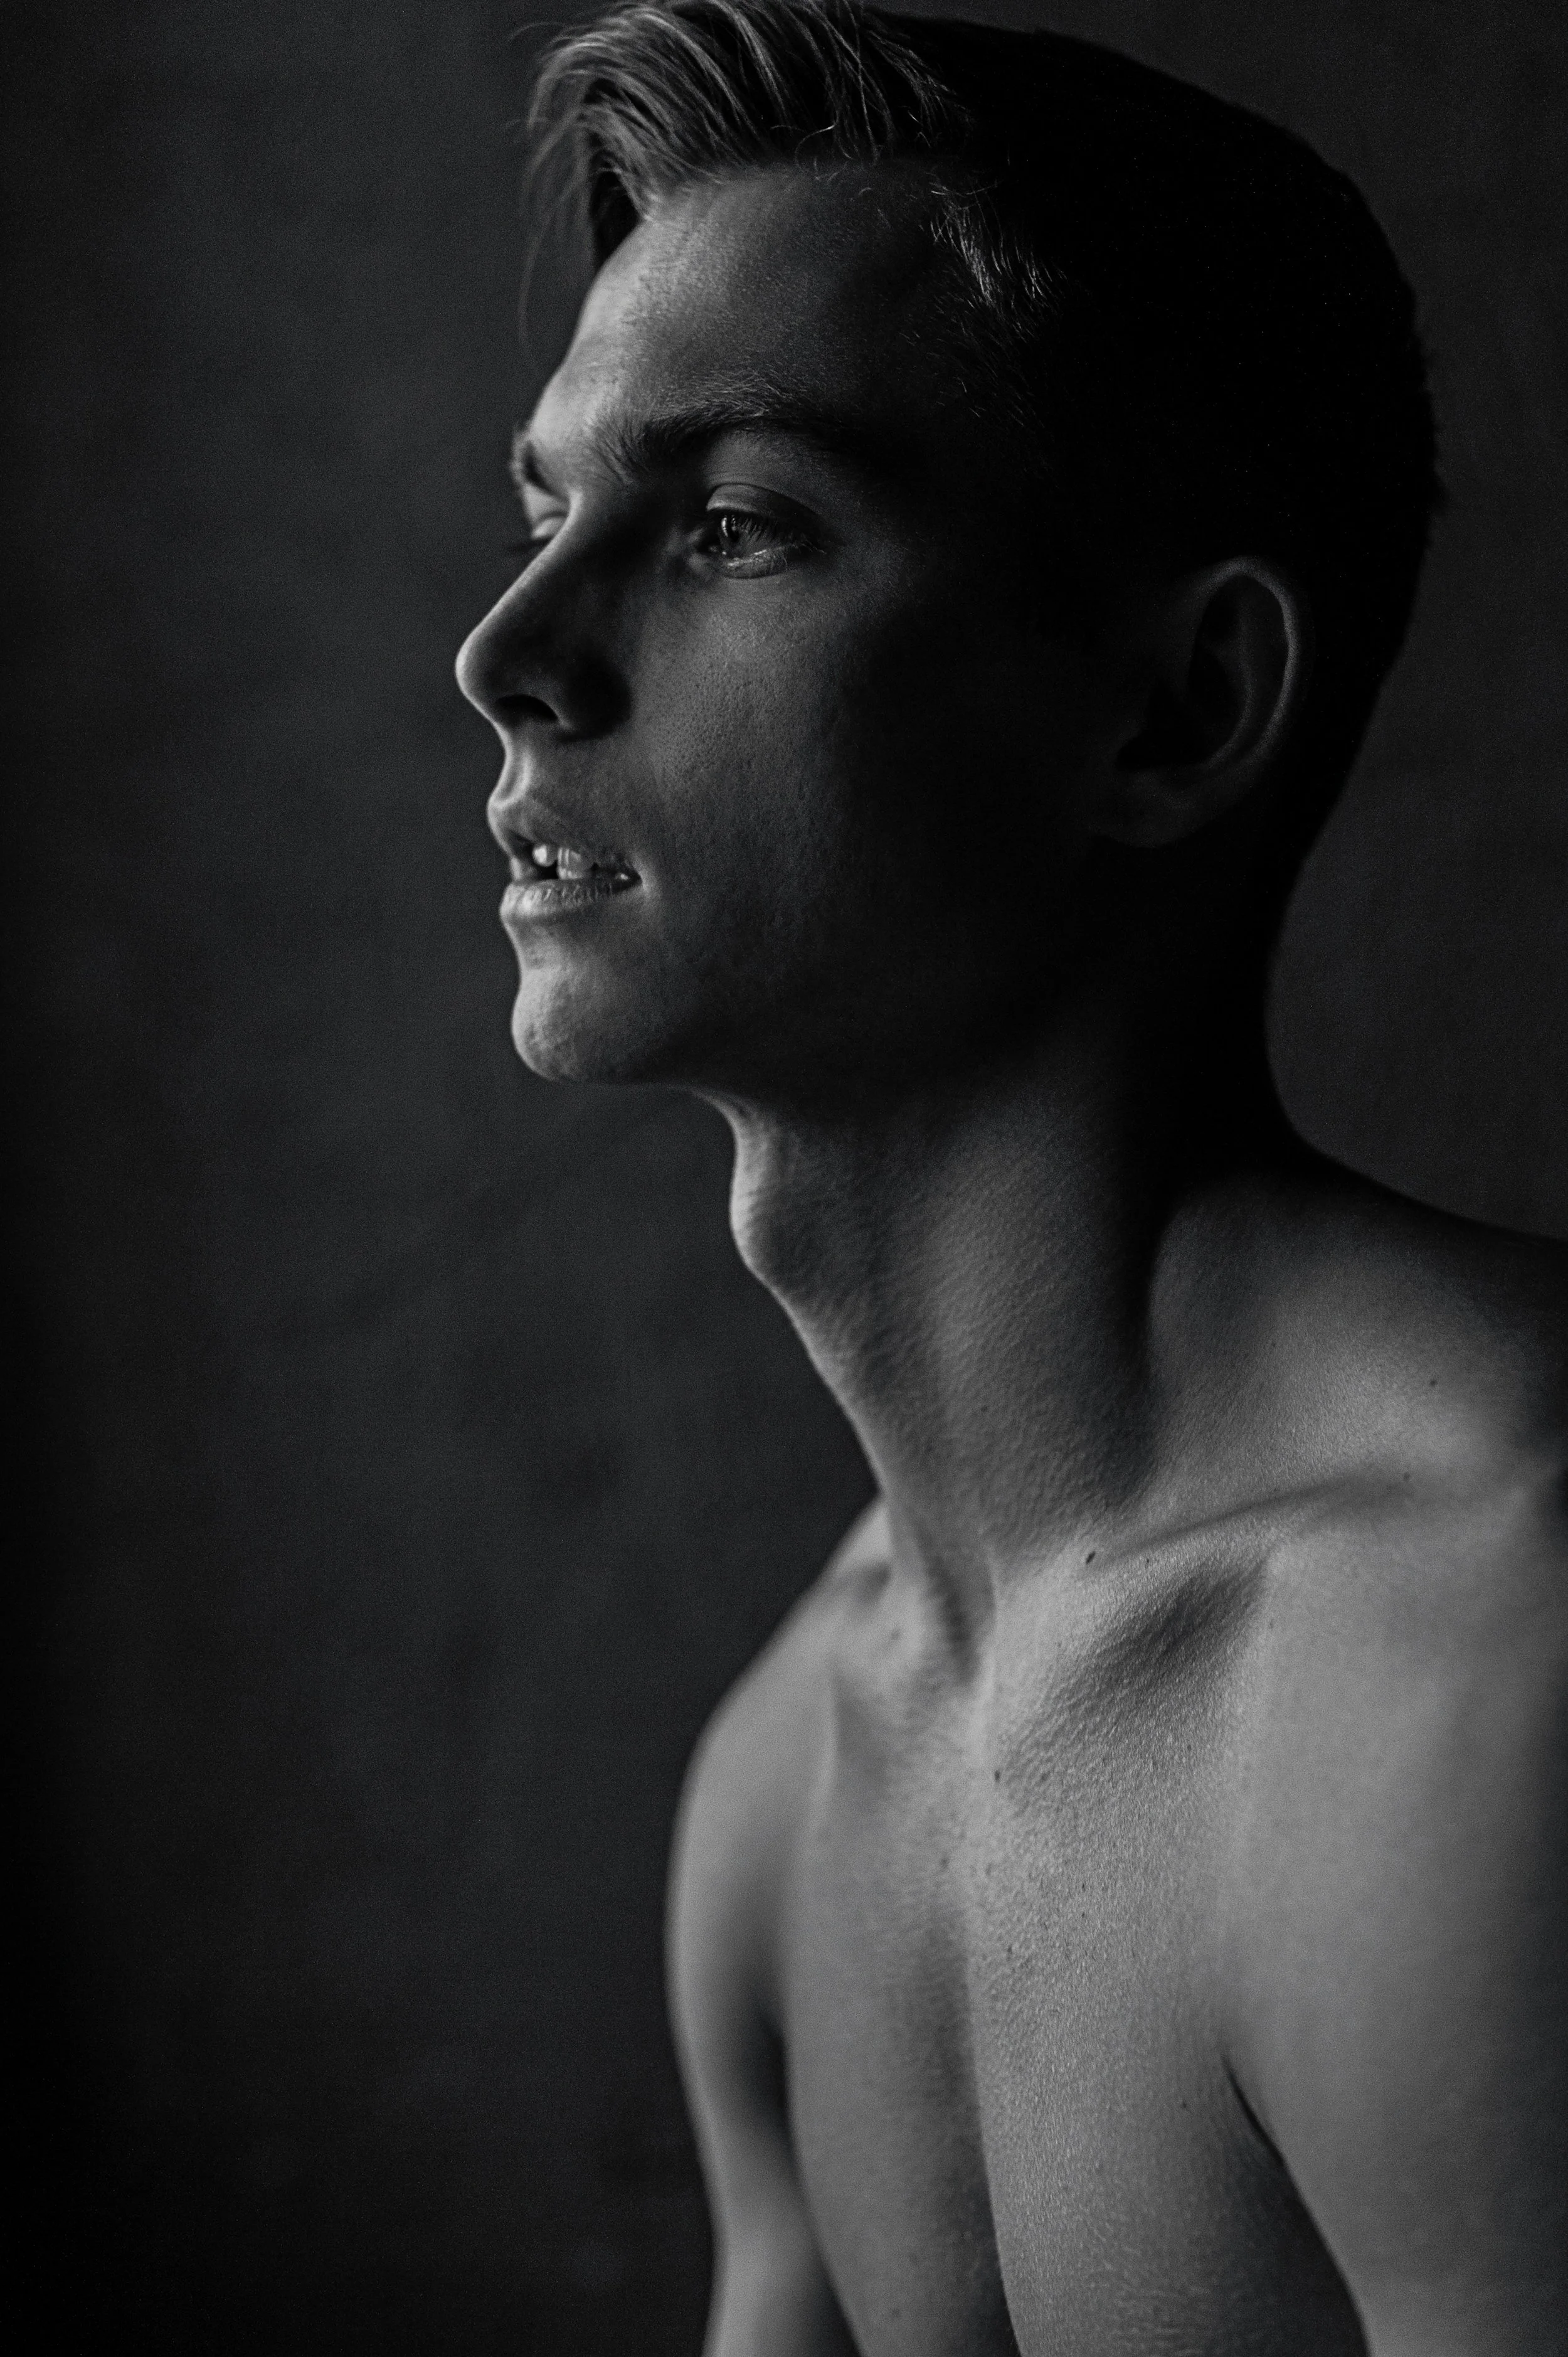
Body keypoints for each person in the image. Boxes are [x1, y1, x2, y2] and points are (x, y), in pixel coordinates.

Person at [456, 2, 1568, 2346]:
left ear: (1170, 712)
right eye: (554, 516)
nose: (513, 653)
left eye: (735, 523)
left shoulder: (1493, 1650)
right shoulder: (786, 1783)